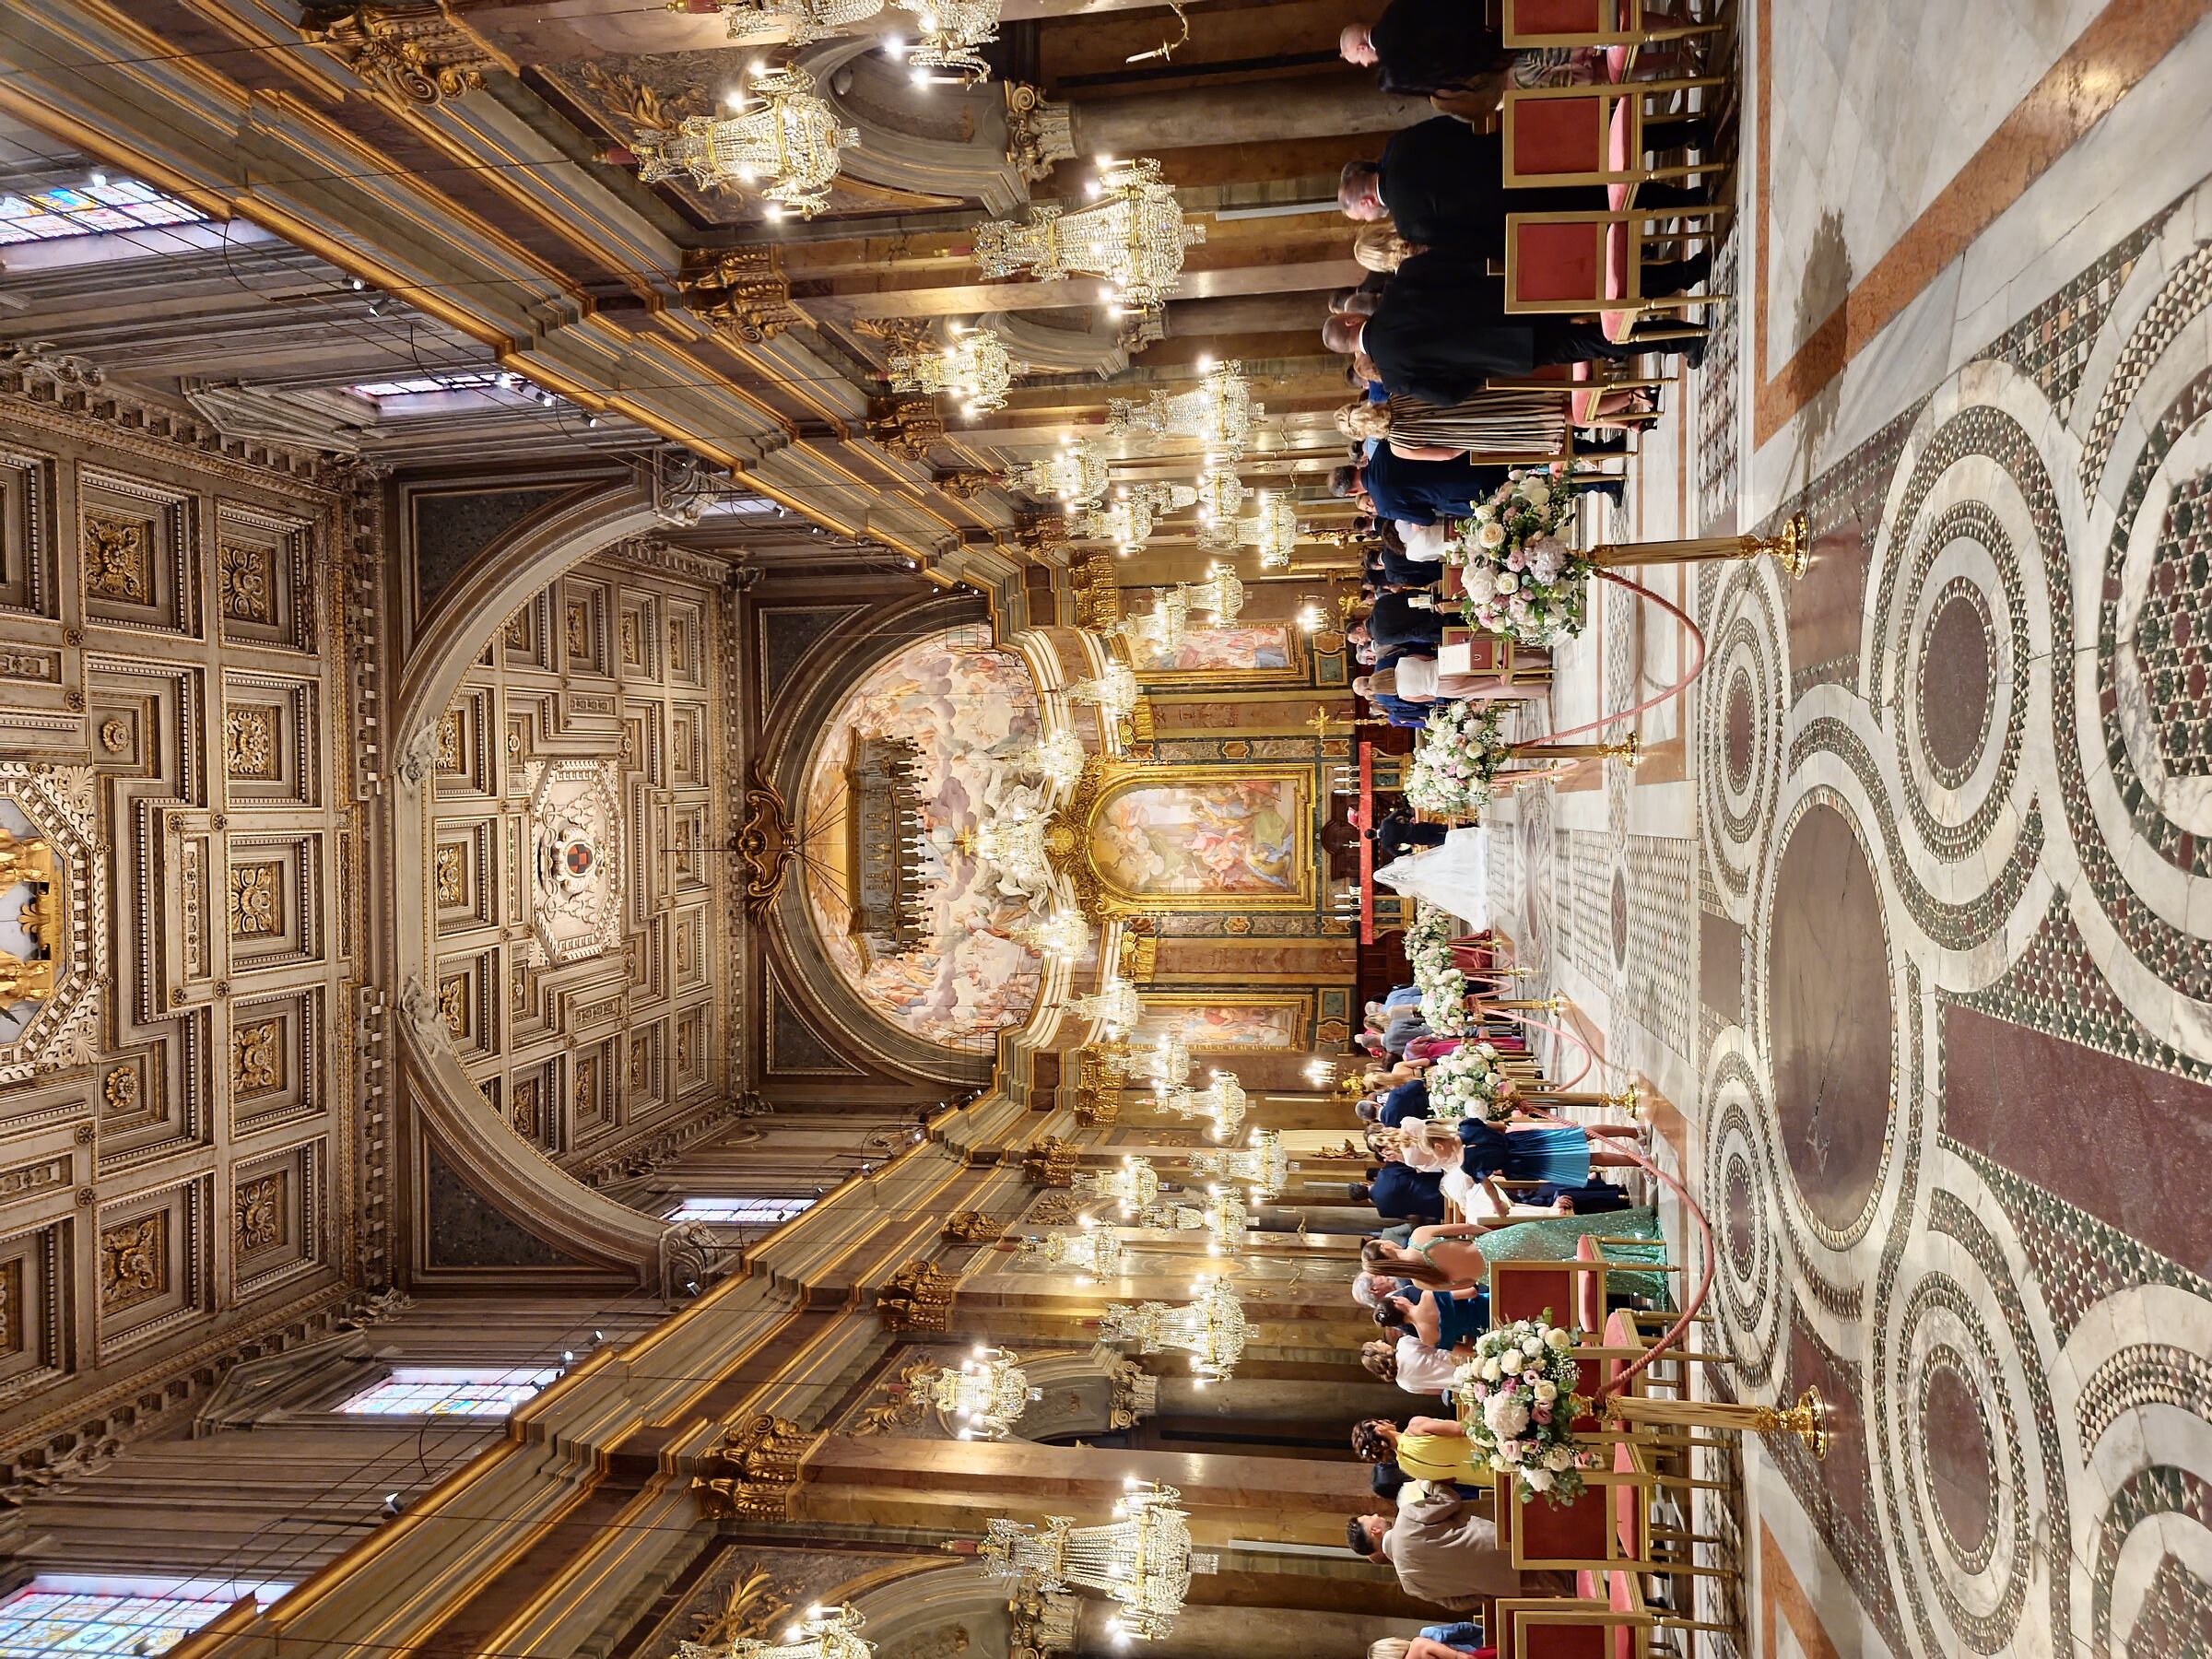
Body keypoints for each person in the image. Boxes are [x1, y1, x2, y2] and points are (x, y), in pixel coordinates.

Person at [1329, 258, 1709, 409]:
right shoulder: (1398, 289)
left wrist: (1479, 363)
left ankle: (1681, 338)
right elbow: (1454, 268)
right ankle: (1683, 273)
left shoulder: (1395, 376)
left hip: (1505, 350)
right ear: (1351, 320)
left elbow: (1448, 395)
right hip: (1509, 297)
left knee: (1594, 341)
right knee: (1595, 289)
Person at [1343, 118, 1715, 258]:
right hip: (1511, 148)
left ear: (1365, 199)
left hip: (1516, 202)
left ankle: (1687, 199)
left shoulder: (1409, 223)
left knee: (1602, 199)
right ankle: (1687, 131)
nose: (1368, 217)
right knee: (1599, 142)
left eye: (1361, 213)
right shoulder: (1398, 143)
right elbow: (1450, 127)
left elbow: (1469, 241)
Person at [1366, 1214, 1674, 1302]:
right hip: (1495, 1245)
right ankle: (1641, 1231)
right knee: (1577, 1233)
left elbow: (1468, 1287)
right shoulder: (1420, 1237)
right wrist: (1492, 1235)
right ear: (1386, 1248)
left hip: (1500, 1272)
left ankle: (1647, 1273)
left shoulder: (1421, 1283)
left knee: (1579, 1267)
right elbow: (1467, 1227)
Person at [1347, 1485, 1564, 1608]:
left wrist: (1489, 1590)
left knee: (1570, 1582)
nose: (1376, 1515)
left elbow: (1457, 1604)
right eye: (1370, 1517)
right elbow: (1450, 1500)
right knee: (1576, 1547)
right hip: (1506, 1541)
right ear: (1375, 1531)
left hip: (1506, 1582)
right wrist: (1427, 1484)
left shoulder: (1409, 1585)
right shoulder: (1406, 1517)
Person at [1338, 1, 1512, 100]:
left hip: (1485, 52)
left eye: (1360, 60)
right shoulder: (1394, 9)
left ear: (1361, 48)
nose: (1366, 65)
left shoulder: (1393, 66)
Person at [1352, 1416, 1488, 1484]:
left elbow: (1450, 1480)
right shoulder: (1415, 1427)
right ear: (1379, 1428)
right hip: (1492, 1446)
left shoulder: (1407, 1468)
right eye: (1378, 1421)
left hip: (1491, 1478)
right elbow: (1463, 1429)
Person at [1352, 1163, 1447, 1225]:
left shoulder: (1383, 1212)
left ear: (1363, 1199)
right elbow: (1413, 1167)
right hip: (1440, 1183)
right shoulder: (1385, 1174)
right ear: (1364, 1183)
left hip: (1438, 1207)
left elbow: (1412, 1216)